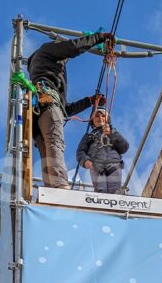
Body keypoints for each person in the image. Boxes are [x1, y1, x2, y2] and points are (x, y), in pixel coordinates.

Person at [27, 31, 114, 189]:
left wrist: (89, 101)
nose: (64, 62)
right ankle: (60, 186)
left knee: (47, 153)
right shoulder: (48, 50)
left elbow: (65, 109)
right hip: (47, 104)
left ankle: (52, 191)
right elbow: (74, 47)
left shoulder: (43, 69)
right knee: (55, 144)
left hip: (40, 113)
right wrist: (99, 37)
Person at [76, 106, 129, 193]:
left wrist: (112, 134)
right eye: (97, 116)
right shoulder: (88, 137)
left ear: (107, 119)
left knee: (115, 190)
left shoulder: (113, 133)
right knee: (101, 190)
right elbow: (80, 152)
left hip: (113, 164)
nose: (100, 118)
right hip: (96, 165)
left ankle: (114, 204)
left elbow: (124, 147)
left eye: (103, 116)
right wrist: (85, 161)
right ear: (92, 121)